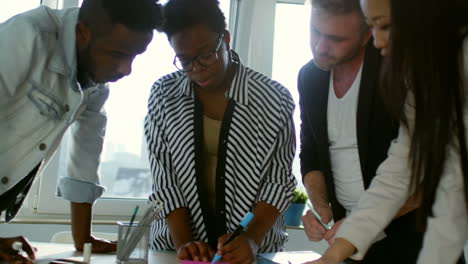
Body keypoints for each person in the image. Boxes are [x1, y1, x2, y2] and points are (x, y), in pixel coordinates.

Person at [0, 0, 162, 262]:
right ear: (83, 32)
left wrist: (83, 238)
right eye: (118, 54)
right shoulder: (28, 36)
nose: (127, 69)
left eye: (135, 56)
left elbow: (85, 155)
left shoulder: (94, 83)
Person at [306, 0, 468, 263]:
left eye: (386, 26)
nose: (378, 42)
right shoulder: (425, 78)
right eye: (372, 27)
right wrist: (332, 257)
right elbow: (399, 175)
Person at [144, 0, 297, 263]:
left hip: (254, 251)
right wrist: (186, 245)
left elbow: (278, 181)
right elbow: (165, 177)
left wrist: (251, 238)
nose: (197, 68)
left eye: (205, 55)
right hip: (176, 251)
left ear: (225, 40)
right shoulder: (164, 95)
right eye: (185, 60)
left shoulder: (273, 98)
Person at [298, 0, 422, 262]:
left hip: (415, 242)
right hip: (350, 244)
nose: (320, 48)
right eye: (315, 31)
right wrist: (320, 207)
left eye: (336, 39)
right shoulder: (309, 77)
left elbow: (430, 174)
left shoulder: (400, 69)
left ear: (369, 34)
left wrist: (361, 223)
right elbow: (310, 152)